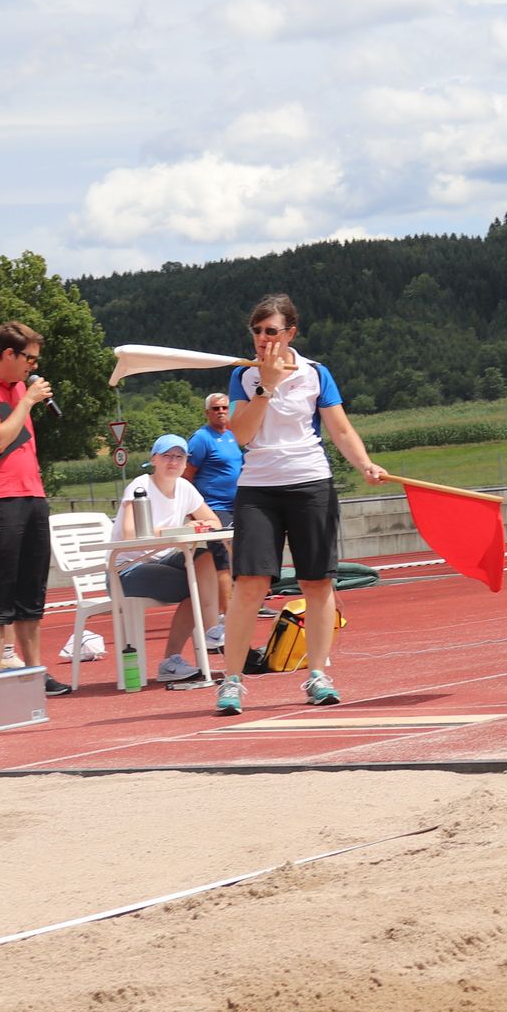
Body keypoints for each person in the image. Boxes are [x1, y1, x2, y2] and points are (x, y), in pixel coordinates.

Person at [220, 294, 388, 713]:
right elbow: (240, 435)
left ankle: (318, 674)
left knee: (317, 582)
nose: (262, 339)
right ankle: (231, 681)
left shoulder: (316, 374)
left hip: (310, 482)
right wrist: (266, 386)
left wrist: (365, 464)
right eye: (257, 331)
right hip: (258, 487)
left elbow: (341, 430)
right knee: (250, 585)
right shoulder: (243, 376)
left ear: (290, 332)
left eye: (271, 331)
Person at [0, 321, 65, 695]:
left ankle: (34, 672)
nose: (33, 367)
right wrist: (27, 401)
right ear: (9, 354)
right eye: (30, 359)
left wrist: (25, 397)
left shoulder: (20, 387)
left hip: (32, 494)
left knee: (31, 589)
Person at [117, 434, 224, 684]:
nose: (173, 461)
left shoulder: (185, 487)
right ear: (154, 459)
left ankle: (207, 634)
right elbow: (130, 534)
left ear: (186, 462)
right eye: (167, 455)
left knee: (204, 557)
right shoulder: (140, 486)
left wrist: (197, 524)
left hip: (164, 561)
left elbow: (214, 522)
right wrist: (177, 532)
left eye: (179, 456)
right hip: (128, 568)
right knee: (198, 586)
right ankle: (190, 646)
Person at [184, 390, 244, 651]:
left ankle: (240, 607)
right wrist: (190, 510)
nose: (221, 412)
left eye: (224, 408)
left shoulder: (233, 435)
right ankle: (228, 617)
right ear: (207, 413)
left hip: (237, 505)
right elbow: (187, 474)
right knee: (222, 560)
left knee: (240, 559)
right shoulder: (201, 439)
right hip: (213, 509)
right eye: (216, 409)